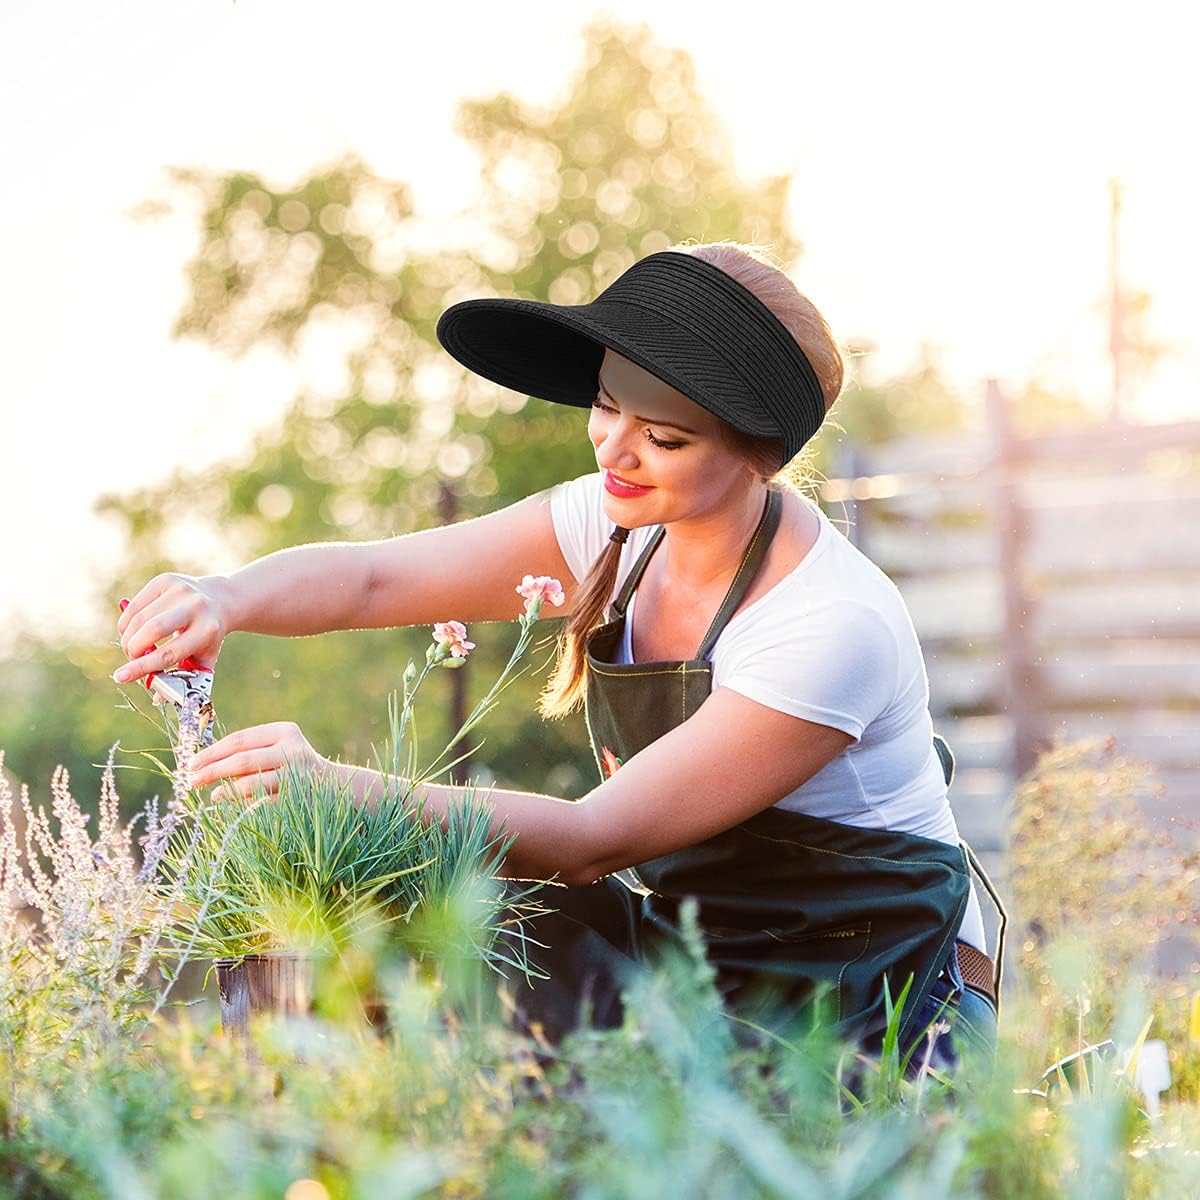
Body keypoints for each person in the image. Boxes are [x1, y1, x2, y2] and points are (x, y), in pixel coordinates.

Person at [113, 240, 1003, 1080]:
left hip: (864, 1007)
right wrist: (224, 597)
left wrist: (338, 786)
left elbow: (590, 842)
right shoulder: (615, 524)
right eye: (609, 404)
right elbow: (378, 581)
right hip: (696, 946)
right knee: (412, 912)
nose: (616, 449)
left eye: (666, 436)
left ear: (757, 456)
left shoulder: (828, 624)